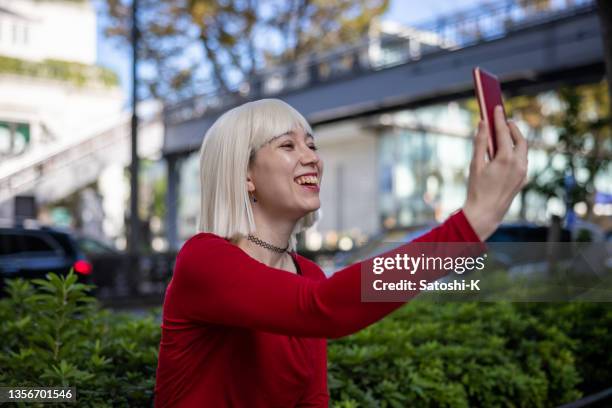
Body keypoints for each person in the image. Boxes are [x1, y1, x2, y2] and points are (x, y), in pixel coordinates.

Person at [154, 99, 528, 407]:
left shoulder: (309, 276)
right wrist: (467, 227)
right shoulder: (204, 260)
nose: (312, 158)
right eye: (288, 145)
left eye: (312, 145)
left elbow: (313, 399)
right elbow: (323, 307)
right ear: (244, 175)